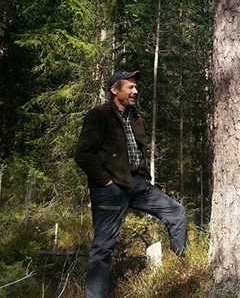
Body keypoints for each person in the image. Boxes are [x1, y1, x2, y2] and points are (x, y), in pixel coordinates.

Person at [75, 70, 189, 298]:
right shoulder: (99, 115)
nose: (135, 91)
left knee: (176, 212)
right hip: (110, 190)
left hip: (137, 184)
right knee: (103, 247)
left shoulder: (134, 116)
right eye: (130, 87)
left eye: (136, 87)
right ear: (114, 90)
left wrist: (142, 177)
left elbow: (135, 151)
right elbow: (83, 154)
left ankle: (182, 273)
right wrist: (106, 181)